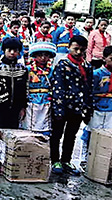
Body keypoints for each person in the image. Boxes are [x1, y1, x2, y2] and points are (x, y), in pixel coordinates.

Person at [0, 37, 28, 171]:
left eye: (15, 50)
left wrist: (23, 107)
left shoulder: (22, 69)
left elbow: (25, 89)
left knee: (11, 136)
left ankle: (7, 162)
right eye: (9, 50)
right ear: (4, 50)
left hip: (15, 108)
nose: (12, 53)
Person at [50, 35, 92, 175]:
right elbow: (58, 88)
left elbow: (88, 88)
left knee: (71, 135)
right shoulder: (62, 65)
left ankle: (66, 160)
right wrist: (58, 109)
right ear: (69, 48)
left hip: (78, 107)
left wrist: (87, 107)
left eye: (82, 50)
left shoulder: (87, 66)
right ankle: (54, 160)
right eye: (76, 49)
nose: (78, 52)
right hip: (62, 106)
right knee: (57, 134)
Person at [81, 45, 112, 169]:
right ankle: (84, 159)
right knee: (90, 134)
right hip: (97, 108)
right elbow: (89, 92)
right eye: (111, 58)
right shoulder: (96, 74)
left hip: (110, 110)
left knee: (108, 136)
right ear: (104, 58)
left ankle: (104, 162)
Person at [21, 41, 56, 134]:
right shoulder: (28, 69)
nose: (43, 58)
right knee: (30, 127)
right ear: (35, 56)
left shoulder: (51, 71)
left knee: (45, 126)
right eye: (40, 55)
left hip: (46, 101)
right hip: (31, 101)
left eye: (46, 55)